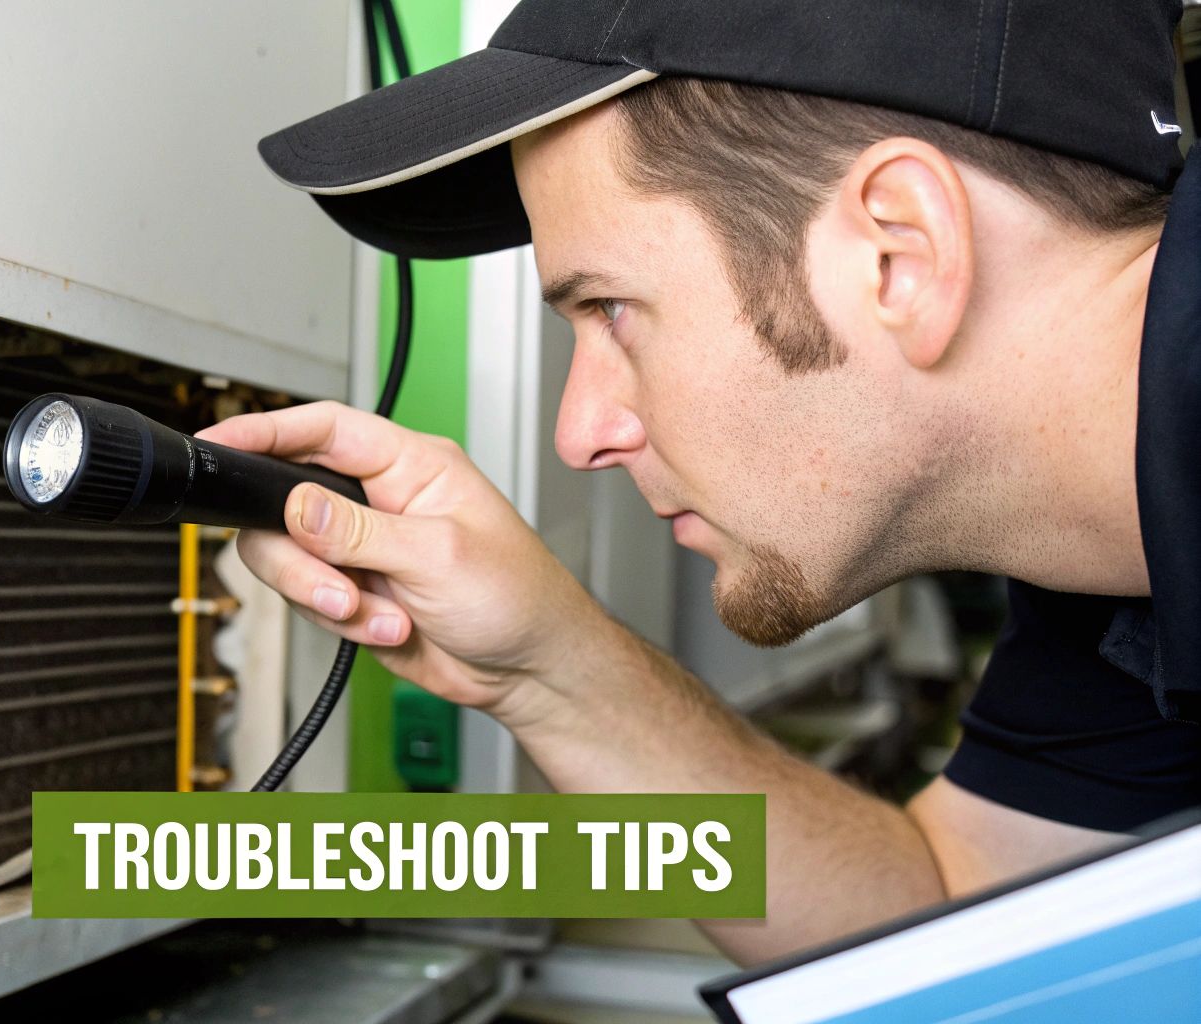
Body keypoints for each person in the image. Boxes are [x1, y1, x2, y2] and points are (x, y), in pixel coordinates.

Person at [201, 0, 1201, 964]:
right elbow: (963, 923)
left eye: (610, 310)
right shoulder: (1108, 566)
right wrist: (551, 671)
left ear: (898, 254)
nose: (579, 434)